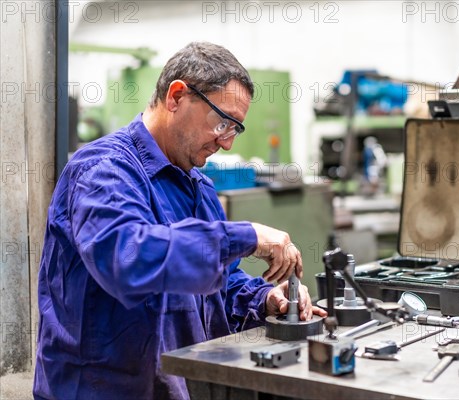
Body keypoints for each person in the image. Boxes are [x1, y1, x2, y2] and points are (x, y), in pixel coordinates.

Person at [34, 42, 327, 399]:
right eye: (223, 122)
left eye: (235, 129)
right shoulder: (103, 170)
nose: (227, 143)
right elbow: (130, 259)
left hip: (177, 388)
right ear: (176, 96)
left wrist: (265, 298)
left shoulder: (197, 186)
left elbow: (216, 284)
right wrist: (245, 235)